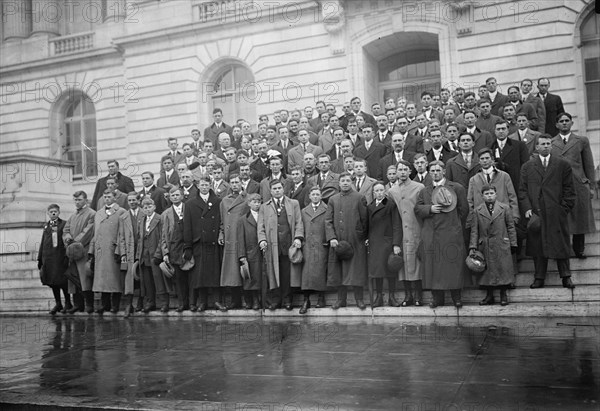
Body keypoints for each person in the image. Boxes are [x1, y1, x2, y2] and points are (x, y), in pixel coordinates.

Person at [519, 134, 576, 289]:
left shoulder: (562, 165)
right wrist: (528, 209)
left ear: (551, 146)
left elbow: (569, 190)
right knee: (538, 246)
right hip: (536, 213)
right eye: (542, 144)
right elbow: (522, 191)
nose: (546, 146)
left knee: (561, 245)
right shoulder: (528, 166)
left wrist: (563, 209)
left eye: (548, 144)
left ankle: (566, 277)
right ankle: (539, 278)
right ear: (536, 147)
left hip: (556, 212)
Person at [415, 160, 468, 308]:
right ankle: (437, 298)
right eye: (432, 171)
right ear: (429, 173)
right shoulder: (425, 191)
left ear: (444, 171)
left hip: (451, 233)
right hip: (432, 234)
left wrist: (454, 225)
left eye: (438, 170)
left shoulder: (456, 188)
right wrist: (430, 209)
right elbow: (418, 209)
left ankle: (456, 297)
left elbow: (464, 211)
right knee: (434, 267)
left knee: (452, 266)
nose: (435, 173)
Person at [552, 113, 596, 259]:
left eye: (567, 121)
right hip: (560, 186)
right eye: (561, 121)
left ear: (571, 123)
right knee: (562, 219)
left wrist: (591, 185)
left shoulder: (581, 141)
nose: (564, 123)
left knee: (579, 218)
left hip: (578, 184)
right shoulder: (551, 143)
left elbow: (588, 165)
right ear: (557, 124)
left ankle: (579, 249)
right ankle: (563, 249)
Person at [258, 180, 304, 310]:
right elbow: (260, 226)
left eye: (279, 188)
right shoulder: (264, 206)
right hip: (272, 245)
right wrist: (262, 240)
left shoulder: (293, 204)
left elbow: (299, 222)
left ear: (283, 189)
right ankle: (276, 300)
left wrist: (298, 238)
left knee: (287, 274)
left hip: (288, 244)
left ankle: (287, 300)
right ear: (271, 191)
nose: (277, 190)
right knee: (273, 273)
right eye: (274, 189)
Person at [325, 172, 369, 309]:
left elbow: (365, 220)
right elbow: (328, 221)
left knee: (357, 270)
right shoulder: (333, 199)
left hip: (355, 240)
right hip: (338, 240)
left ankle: (359, 299)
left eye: (347, 180)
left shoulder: (359, 197)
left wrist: (361, 236)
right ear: (339, 183)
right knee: (339, 271)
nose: (345, 183)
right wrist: (332, 237)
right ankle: (341, 299)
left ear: (352, 182)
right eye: (342, 180)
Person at [183, 177, 227, 311]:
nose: (204, 187)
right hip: (199, 242)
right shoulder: (190, 204)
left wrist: (220, 234)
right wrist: (188, 246)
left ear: (210, 186)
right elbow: (187, 226)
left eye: (206, 185)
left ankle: (217, 301)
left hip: (213, 242)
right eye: (202, 185)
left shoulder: (218, 202)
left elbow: (222, 221)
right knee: (200, 275)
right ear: (198, 186)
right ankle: (202, 302)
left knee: (215, 273)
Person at [469, 185, 517, 306]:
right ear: (482, 196)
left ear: (496, 194)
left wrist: (513, 242)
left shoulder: (504, 208)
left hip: (501, 243)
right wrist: (473, 246)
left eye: (491, 193)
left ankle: (503, 294)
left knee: (503, 269)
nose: (489, 196)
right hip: (485, 244)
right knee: (487, 271)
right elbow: (474, 230)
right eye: (486, 194)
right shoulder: (477, 211)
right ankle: (489, 295)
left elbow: (510, 226)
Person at [89, 189, 134, 314]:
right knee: (102, 279)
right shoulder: (98, 213)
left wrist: (120, 250)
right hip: (100, 251)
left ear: (115, 198)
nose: (106, 199)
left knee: (114, 279)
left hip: (114, 250)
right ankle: (105, 305)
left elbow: (123, 233)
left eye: (109, 196)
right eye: (105, 196)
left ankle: (115, 305)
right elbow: (95, 233)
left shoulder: (121, 212)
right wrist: (91, 250)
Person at [388, 161, 426, 306]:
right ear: (396, 172)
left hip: (416, 230)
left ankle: (418, 295)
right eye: (400, 170)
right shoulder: (392, 191)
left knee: (416, 264)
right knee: (403, 265)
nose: (402, 172)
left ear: (410, 171)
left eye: (405, 169)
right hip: (401, 233)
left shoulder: (419, 187)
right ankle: (408, 295)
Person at [367, 182, 403, 307]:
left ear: (385, 191)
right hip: (375, 243)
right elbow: (368, 226)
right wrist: (367, 238)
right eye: (376, 191)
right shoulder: (370, 206)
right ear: (373, 193)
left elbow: (397, 225)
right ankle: (379, 297)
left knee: (390, 270)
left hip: (388, 243)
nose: (379, 193)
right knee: (378, 271)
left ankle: (392, 297)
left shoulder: (391, 205)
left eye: (381, 190)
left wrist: (396, 244)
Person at [62, 191, 95, 314]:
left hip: (83, 250)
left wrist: (75, 242)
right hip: (72, 251)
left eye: (80, 200)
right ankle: (77, 304)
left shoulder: (92, 214)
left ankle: (89, 304)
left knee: (84, 278)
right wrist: (68, 239)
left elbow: (88, 231)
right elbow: (65, 230)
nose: (77, 202)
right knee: (73, 278)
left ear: (85, 200)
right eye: (75, 200)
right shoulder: (73, 215)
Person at [219, 174, 249, 309]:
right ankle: (235, 300)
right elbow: (221, 220)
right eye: (232, 182)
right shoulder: (224, 201)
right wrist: (221, 234)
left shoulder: (247, 198)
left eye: (237, 182)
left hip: (243, 236)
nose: (235, 185)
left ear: (242, 183)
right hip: (230, 238)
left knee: (246, 268)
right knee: (232, 271)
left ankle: (249, 300)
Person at [136, 198, 170, 313]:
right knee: (147, 280)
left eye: (149, 207)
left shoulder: (160, 219)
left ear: (154, 207)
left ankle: (164, 303)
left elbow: (162, 237)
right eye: (145, 207)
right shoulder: (141, 220)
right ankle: (150, 302)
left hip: (155, 255)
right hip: (144, 255)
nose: (148, 209)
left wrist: (158, 254)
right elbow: (140, 239)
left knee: (159, 279)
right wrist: (138, 256)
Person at [299, 186, 329, 313]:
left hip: (321, 245)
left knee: (321, 271)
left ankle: (321, 298)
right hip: (308, 246)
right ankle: (306, 300)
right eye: (313, 194)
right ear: (310, 196)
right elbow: (300, 227)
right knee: (306, 273)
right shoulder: (304, 211)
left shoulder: (327, 209)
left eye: (318, 194)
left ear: (321, 196)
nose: (315, 196)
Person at [160, 187, 188, 312]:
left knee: (190, 277)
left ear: (181, 196)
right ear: (170, 198)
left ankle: (191, 302)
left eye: (177, 195)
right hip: (174, 248)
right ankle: (182, 303)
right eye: (173, 195)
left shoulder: (188, 209)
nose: (175, 197)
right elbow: (164, 235)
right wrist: (165, 252)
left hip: (187, 246)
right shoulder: (165, 214)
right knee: (178, 278)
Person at [38, 204, 70, 315]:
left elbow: (66, 240)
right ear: (48, 213)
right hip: (49, 258)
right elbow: (43, 242)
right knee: (52, 282)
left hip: (60, 257)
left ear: (59, 212)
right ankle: (58, 303)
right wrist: (40, 259)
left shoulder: (64, 224)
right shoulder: (46, 226)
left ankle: (68, 302)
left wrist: (67, 256)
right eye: (51, 211)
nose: (53, 213)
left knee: (62, 281)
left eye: (55, 211)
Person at [237, 193, 263, 310]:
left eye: (259, 202)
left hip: (262, 250)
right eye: (254, 202)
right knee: (249, 277)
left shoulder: (264, 216)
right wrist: (242, 255)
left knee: (260, 276)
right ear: (249, 203)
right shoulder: (243, 219)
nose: (257, 204)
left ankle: (259, 299)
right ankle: (250, 300)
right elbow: (240, 238)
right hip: (249, 251)